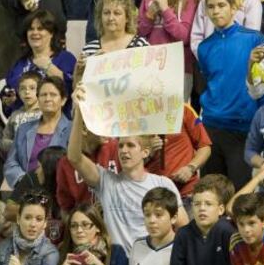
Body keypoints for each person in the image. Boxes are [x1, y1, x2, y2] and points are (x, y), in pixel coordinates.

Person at [68, 85, 188, 255]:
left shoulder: (162, 183)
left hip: (154, 264)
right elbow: (74, 157)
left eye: (131, 145)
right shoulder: (106, 181)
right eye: (121, 146)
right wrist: (80, 111)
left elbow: (183, 225)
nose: (124, 150)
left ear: (145, 152)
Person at [198, 0, 264, 189]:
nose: (216, 11)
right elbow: (209, 82)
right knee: (212, 192)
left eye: (221, 5)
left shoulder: (254, 39)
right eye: (211, 7)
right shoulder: (204, 47)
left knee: (240, 194)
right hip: (210, 127)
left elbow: (262, 85)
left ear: (233, 8)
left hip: (241, 128)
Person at [138, 0, 197, 101]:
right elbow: (140, 35)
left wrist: (165, 9)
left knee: (176, 118)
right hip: (151, 67)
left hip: (179, 67)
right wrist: (149, 15)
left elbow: (184, 36)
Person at [170, 176, 238, 265]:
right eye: (197, 204)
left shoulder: (228, 232)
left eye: (208, 204)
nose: (202, 208)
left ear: (221, 209)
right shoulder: (183, 234)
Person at [4, 76, 71, 189]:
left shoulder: (72, 129)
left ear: (63, 100)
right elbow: (11, 162)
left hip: (60, 193)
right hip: (26, 191)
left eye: (53, 95)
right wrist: (23, 181)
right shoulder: (23, 128)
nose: (47, 99)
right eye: (43, 95)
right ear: (38, 99)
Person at [2, 11, 75, 115]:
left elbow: (70, 89)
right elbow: (7, 92)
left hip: (55, 124)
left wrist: (48, 67)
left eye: (40, 29)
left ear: (51, 33)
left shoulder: (66, 59)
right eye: (31, 29)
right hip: (23, 123)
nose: (35, 32)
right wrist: (8, 99)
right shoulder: (19, 63)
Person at [55, 202, 130, 265]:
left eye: (85, 225)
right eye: (74, 226)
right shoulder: (64, 253)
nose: (79, 230)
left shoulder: (116, 252)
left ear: (98, 227)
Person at [0, 193, 59, 265]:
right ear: (18, 219)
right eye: (27, 217)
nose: (33, 224)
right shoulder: (3, 248)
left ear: (45, 223)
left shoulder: (50, 252)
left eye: (39, 219)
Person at [130, 187, 177, 265]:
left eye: (158, 215)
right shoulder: (138, 246)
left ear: (173, 218)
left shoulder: (182, 247)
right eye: (147, 215)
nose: (151, 220)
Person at [81, 0, 148, 58]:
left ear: (127, 17)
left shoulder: (140, 45)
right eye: (106, 13)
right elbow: (81, 68)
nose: (111, 18)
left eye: (117, 13)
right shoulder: (89, 49)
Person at [1, 72, 42, 156]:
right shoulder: (15, 115)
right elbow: (4, 141)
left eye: (32, 88)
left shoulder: (45, 113)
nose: (27, 92)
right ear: (18, 92)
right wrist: (16, 145)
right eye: (23, 88)